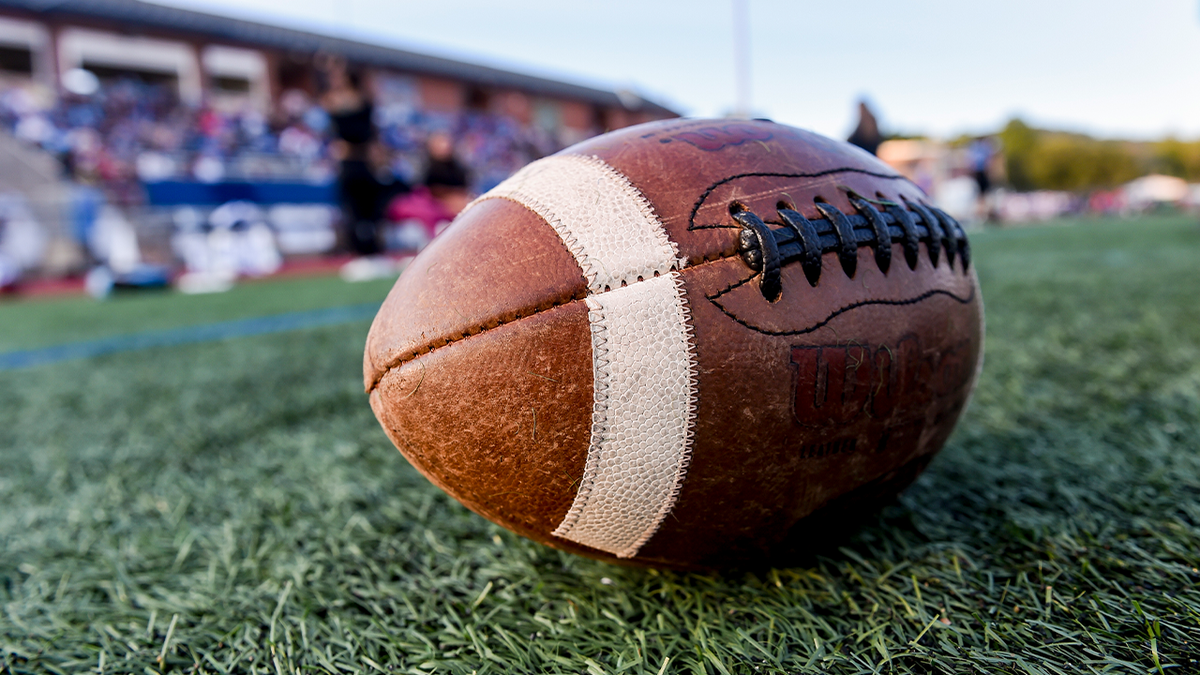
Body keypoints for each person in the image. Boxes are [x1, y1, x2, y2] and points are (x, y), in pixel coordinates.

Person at [320, 58, 405, 256]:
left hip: (364, 162)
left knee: (371, 208)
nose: (334, 79)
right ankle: (358, 250)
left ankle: (375, 248)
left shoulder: (363, 100)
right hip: (348, 164)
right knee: (352, 210)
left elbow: (367, 133)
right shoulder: (330, 100)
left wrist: (366, 151)